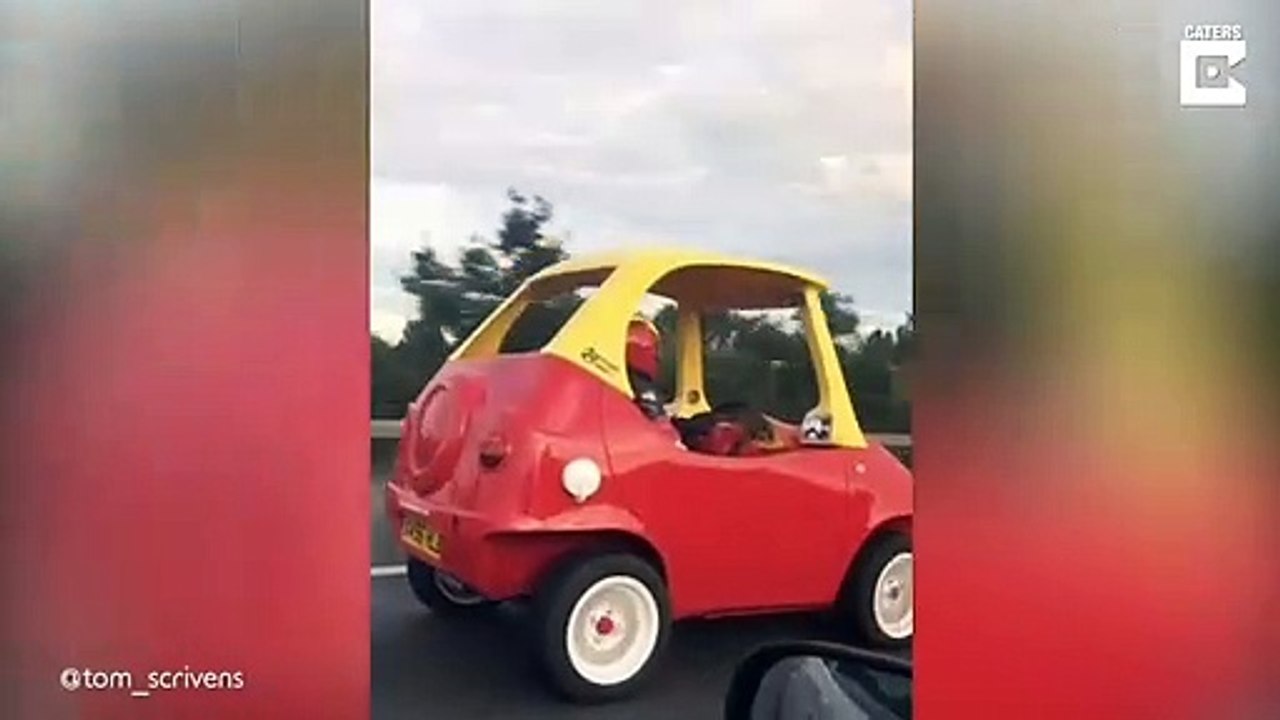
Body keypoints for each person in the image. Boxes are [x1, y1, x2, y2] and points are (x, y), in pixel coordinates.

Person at [625, 314, 667, 420]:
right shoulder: (641, 386)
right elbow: (658, 423)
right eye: (654, 348)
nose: (658, 357)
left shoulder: (627, 382)